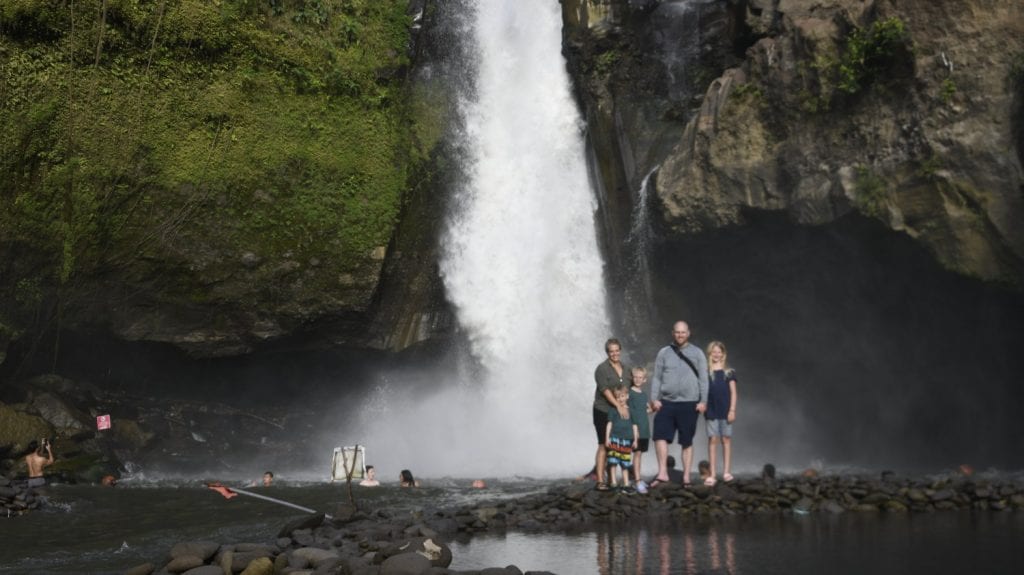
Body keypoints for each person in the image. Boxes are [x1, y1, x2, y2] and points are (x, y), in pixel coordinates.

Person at [650, 321, 708, 487]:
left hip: (690, 403)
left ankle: (686, 477)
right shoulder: (664, 353)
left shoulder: (697, 353)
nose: (680, 335)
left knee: (686, 441)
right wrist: (654, 398)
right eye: (677, 332)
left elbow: (704, 379)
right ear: (672, 333)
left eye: (683, 332)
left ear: (688, 333)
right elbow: (657, 377)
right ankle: (662, 473)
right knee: (659, 435)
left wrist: (703, 401)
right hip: (667, 401)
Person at [593, 338, 632, 492]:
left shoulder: (627, 368)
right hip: (603, 410)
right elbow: (605, 390)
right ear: (607, 353)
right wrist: (618, 406)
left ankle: (614, 478)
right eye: (611, 351)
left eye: (617, 350)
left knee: (618, 444)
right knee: (604, 444)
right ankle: (601, 480)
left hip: (620, 412)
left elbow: (631, 389)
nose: (614, 353)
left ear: (620, 351)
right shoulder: (602, 369)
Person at [705, 340, 738, 485]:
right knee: (713, 440)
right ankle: (712, 473)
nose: (716, 354)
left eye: (719, 352)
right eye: (714, 352)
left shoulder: (729, 372)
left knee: (726, 439)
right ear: (710, 354)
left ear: (723, 354)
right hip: (711, 410)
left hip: (725, 410)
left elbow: (733, 393)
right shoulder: (706, 372)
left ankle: (726, 472)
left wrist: (732, 410)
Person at [605, 386, 638, 492]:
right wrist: (607, 438)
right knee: (613, 461)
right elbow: (609, 424)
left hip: (627, 439)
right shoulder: (613, 410)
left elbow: (634, 426)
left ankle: (626, 483)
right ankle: (614, 483)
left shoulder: (631, 411)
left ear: (627, 396)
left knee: (625, 463)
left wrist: (636, 440)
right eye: (618, 397)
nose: (620, 399)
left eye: (622, 396)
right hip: (615, 438)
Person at [629, 366, 654, 494]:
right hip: (635, 429)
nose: (638, 380)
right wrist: (635, 430)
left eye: (640, 378)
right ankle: (637, 481)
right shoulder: (630, 393)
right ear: (632, 378)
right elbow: (630, 412)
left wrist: (651, 409)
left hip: (644, 428)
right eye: (636, 377)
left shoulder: (643, 395)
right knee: (636, 454)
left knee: (639, 454)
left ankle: (637, 479)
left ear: (644, 380)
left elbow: (647, 409)